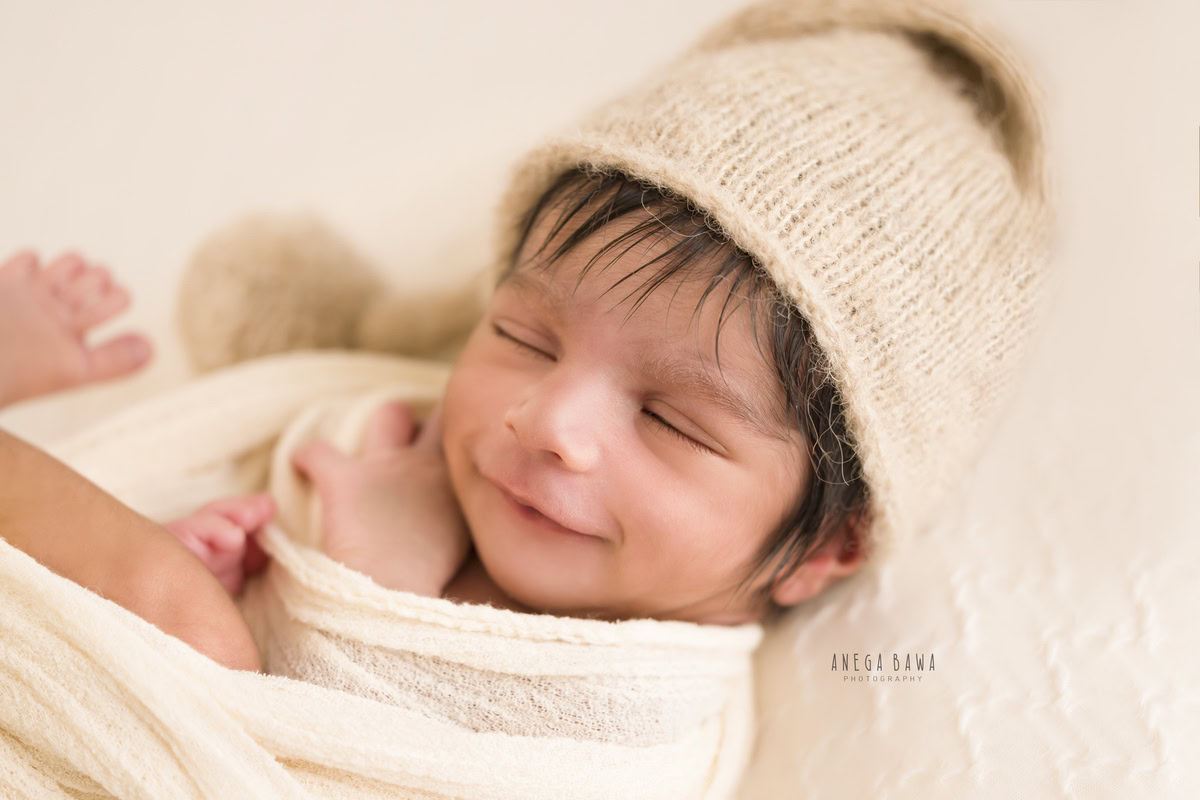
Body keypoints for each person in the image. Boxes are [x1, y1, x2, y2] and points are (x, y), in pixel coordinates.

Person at [0, 0, 1054, 673]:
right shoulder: (385, 427)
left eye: (671, 419)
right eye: (522, 332)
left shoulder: (634, 697)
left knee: (188, 630)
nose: (544, 416)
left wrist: (367, 589)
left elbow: (328, 757)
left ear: (830, 543)